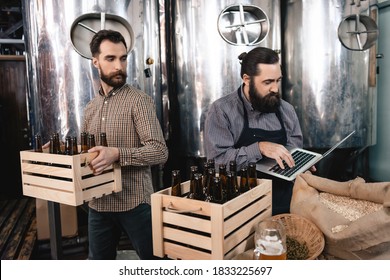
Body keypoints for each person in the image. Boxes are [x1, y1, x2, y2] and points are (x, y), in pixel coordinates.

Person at [83, 29, 168, 260]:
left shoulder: (139, 101)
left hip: (134, 202)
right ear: (95, 62)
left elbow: (160, 151)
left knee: (155, 264)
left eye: (123, 58)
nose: (119, 66)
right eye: (110, 59)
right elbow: (85, 153)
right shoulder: (90, 108)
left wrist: (117, 154)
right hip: (98, 205)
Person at [204, 47, 314, 215]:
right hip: (241, 209)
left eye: (278, 80)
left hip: (284, 204)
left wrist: (299, 164)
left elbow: (293, 149)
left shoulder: (286, 110)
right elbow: (218, 163)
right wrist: (259, 147)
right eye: (268, 82)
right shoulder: (222, 110)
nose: (275, 89)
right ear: (247, 79)